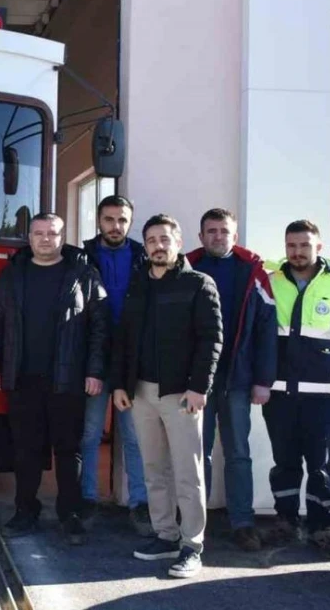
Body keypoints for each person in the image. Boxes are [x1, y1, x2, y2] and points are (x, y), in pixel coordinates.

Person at [0, 213, 109, 545]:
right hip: (22, 378)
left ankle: (70, 515)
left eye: (52, 233)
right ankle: (25, 511)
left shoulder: (83, 273)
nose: (45, 239)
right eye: (39, 233)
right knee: (26, 450)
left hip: (68, 379)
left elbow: (100, 327)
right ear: (29, 237)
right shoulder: (12, 275)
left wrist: (95, 371)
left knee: (69, 450)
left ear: (62, 236)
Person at [108, 214, 222, 579]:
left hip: (181, 394)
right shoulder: (137, 286)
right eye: (152, 239)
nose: (159, 245)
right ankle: (165, 535)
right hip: (141, 393)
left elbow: (211, 340)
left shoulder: (198, 284)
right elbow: (124, 341)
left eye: (165, 239)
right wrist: (120, 385)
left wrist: (199, 387)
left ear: (178, 242)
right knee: (154, 469)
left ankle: (192, 545)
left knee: (188, 474)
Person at [262, 220, 330, 559]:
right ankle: (286, 522)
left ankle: (321, 529)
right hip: (280, 393)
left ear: (318, 247)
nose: (297, 252)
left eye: (304, 245)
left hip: (323, 395)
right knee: (285, 462)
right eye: (291, 245)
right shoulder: (272, 280)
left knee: (321, 465)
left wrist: (322, 361)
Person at [185, 208, 276, 551]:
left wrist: (263, 379)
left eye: (224, 231)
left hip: (238, 379)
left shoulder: (253, 272)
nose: (217, 236)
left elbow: (267, 328)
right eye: (211, 231)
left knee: (238, 453)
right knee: (198, 453)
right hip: (196, 381)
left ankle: (242, 522)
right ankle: (196, 523)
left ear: (234, 236)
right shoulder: (187, 268)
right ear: (201, 236)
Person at [81, 195, 151, 535]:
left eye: (122, 220)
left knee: (134, 436)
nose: (115, 226)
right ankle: (87, 499)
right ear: (98, 221)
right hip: (93, 355)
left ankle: (140, 504)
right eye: (109, 219)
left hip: (133, 358)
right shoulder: (81, 255)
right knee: (90, 433)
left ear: (129, 221)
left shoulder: (142, 256)